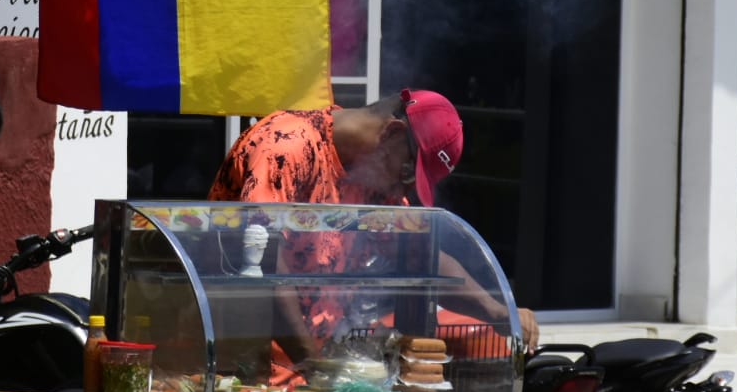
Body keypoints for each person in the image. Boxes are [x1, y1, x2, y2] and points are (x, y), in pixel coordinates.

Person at [208, 88, 540, 362]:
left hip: (305, 376)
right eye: (408, 174)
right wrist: (317, 371)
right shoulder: (287, 146)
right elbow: (265, 264)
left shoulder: (375, 183)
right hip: (243, 367)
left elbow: (422, 259)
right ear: (393, 133)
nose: (404, 189)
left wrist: (498, 311)